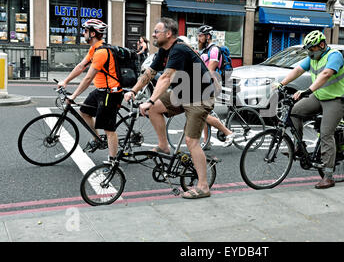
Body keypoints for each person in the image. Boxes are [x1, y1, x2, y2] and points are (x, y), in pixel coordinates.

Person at [124, 17, 216, 199]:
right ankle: (164, 146)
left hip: (200, 96)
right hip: (184, 93)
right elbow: (150, 73)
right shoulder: (163, 51)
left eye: (156, 31)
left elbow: (166, 78)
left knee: (191, 141)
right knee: (154, 109)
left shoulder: (179, 49)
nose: (152, 34)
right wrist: (133, 91)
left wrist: (149, 100)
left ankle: (204, 186)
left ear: (168, 34)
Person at [273, 30, 344, 189]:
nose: (309, 52)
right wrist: (282, 83)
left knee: (325, 133)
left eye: (312, 49)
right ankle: (299, 148)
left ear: (322, 45)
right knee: (295, 111)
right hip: (320, 96)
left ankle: (328, 176)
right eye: (308, 49)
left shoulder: (334, 56)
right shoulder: (312, 57)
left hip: (338, 99)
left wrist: (307, 91)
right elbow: (298, 70)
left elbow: (326, 74)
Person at [57, 19, 123, 162]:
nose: (83, 33)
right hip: (100, 90)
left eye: (85, 31)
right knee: (85, 112)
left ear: (92, 33)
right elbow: (81, 66)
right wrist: (65, 81)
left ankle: (113, 162)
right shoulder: (94, 49)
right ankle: (97, 139)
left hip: (110, 93)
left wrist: (73, 95)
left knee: (109, 129)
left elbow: (87, 78)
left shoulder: (102, 52)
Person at [197, 25, 235, 150]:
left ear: (208, 36)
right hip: (205, 84)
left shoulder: (214, 50)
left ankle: (228, 133)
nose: (199, 38)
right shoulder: (204, 50)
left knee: (202, 114)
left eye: (201, 35)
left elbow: (210, 70)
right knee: (205, 114)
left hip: (211, 84)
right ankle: (207, 142)